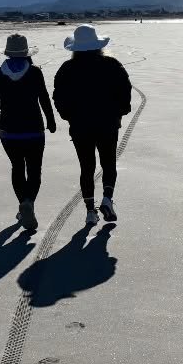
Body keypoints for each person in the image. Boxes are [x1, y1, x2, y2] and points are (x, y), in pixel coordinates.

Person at [52, 24, 132, 225]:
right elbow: (125, 90)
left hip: (80, 126)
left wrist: (68, 116)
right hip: (108, 124)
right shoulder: (112, 65)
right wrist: (121, 111)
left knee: (86, 167)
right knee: (108, 163)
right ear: (98, 45)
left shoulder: (67, 69)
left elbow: (58, 97)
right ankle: (107, 199)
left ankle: (90, 211)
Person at [0, 33, 56, 232]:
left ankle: (23, 203)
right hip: (34, 130)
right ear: (26, 53)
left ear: (7, 53)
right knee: (34, 170)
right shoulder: (35, 72)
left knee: (17, 167)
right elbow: (44, 98)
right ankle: (28, 202)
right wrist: (51, 120)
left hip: (8, 131)